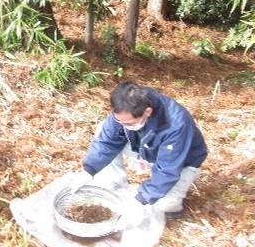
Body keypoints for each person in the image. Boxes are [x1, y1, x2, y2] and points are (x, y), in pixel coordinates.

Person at [78, 81, 207, 224]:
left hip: (182, 162)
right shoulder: (125, 108)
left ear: (147, 112)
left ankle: (174, 202)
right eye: (119, 120)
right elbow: (107, 142)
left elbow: (167, 170)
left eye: (129, 123)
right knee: (103, 127)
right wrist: (89, 169)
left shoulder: (175, 124)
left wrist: (141, 200)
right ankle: (114, 186)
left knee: (164, 206)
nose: (123, 125)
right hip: (146, 148)